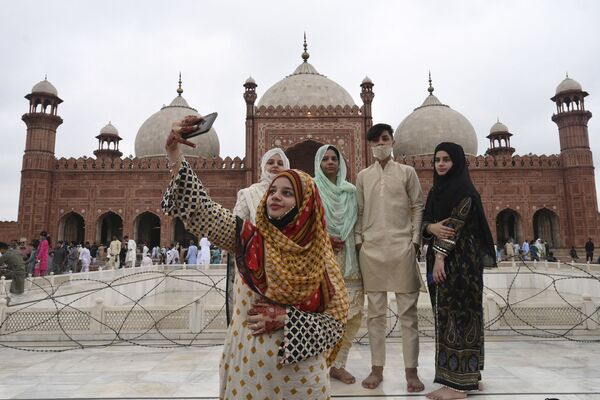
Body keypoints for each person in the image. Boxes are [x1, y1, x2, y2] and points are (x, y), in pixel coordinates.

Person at [162, 115, 348, 399]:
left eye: (287, 193)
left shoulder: (319, 254)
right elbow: (203, 211)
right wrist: (174, 154)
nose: (275, 197)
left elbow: (335, 324)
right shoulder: (249, 239)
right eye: (273, 190)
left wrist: (290, 319)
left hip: (300, 381)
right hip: (248, 373)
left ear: (305, 205)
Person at [422, 142, 496, 400]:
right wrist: (430, 228)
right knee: (446, 317)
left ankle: (456, 385)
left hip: (460, 264)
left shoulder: (464, 190)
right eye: (437, 159)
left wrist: (441, 257)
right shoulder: (435, 192)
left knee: (458, 317)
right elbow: (425, 222)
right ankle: (471, 377)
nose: (441, 164)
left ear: (457, 162)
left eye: (446, 160)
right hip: (440, 262)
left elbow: (456, 224)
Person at [355, 123, 425, 391]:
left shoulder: (407, 172)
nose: (380, 144)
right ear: (370, 145)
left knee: (408, 314)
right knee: (375, 314)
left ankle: (411, 372)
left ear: (393, 141)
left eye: (385, 139)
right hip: (372, 249)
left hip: (402, 246)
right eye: (375, 141)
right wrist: (360, 241)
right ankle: (377, 368)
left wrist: (415, 241)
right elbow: (360, 210)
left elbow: (417, 206)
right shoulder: (363, 176)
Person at [314, 144, 364, 385]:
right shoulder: (311, 189)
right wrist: (324, 238)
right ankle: (319, 362)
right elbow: (306, 224)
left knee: (352, 316)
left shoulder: (351, 191)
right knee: (324, 314)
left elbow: (358, 225)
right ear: (319, 163)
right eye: (325, 159)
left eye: (334, 158)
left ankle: (338, 364)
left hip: (350, 261)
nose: (330, 162)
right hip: (321, 260)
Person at [233, 147, 290, 224]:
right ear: (263, 166)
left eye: (280, 164)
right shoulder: (248, 194)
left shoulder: (292, 194)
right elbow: (238, 227)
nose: (275, 165)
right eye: (270, 162)